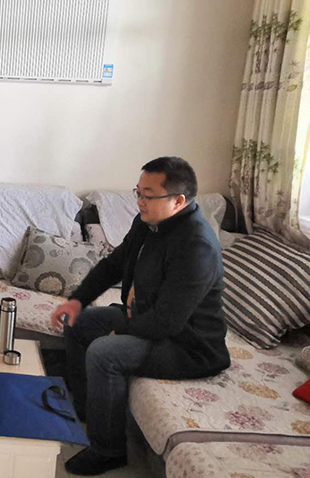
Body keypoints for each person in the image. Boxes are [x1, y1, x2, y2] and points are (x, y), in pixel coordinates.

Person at [50, 156, 230, 476]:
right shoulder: (148, 223)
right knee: (79, 322)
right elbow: (113, 265)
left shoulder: (196, 245)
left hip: (187, 344)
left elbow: (167, 322)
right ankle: (85, 409)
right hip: (149, 318)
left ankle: (108, 451)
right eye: (138, 192)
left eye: (148, 195)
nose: (139, 201)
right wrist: (77, 301)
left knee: (105, 352)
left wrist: (121, 333)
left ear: (178, 201)